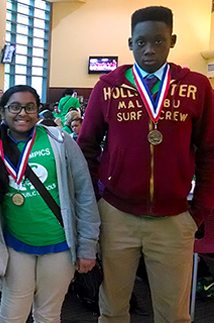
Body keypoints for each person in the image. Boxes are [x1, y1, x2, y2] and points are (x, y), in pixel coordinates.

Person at [77, 6, 214, 323]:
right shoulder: (108, 87)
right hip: (117, 216)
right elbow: (86, 146)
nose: (149, 49)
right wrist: (99, 200)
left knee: (174, 315)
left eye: (158, 41)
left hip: (174, 218)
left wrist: (198, 211)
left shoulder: (196, 87)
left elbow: (209, 151)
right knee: (112, 310)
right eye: (141, 42)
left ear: (172, 40)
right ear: (130, 42)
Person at [0, 85, 100, 323]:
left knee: (48, 314)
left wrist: (87, 246)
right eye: (14, 107)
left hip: (60, 247)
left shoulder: (60, 141)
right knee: (11, 314)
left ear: (38, 111)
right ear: (2, 111)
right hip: (16, 246)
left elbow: (85, 193)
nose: (22, 113)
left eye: (30, 107)